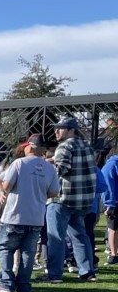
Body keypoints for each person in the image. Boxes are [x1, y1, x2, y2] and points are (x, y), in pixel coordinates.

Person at [0, 136, 59, 292]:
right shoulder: (49, 168)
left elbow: (6, 185)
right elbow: (54, 192)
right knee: (28, 253)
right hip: (36, 217)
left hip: (14, 215)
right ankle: (24, 286)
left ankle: (6, 283)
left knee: (5, 248)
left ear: (31, 147)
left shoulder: (19, 163)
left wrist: (1, 191)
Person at [44, 116, 97, 282]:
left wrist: (48, 164)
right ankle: (87, 271)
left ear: (71, 130)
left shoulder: (64, 146)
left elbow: (61, 170)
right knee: (80, 236)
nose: (56, 131)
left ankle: (54, 274)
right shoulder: (88, 147)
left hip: (62, 198)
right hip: (83, 200)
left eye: (60, 128)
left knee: (56, 237)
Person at [100, 148, 118, 265]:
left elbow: (108, 185)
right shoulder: (113, 165)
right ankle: (113, 254)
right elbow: (108, 186)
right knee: (114, 229)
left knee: (114, 229)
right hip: (114, 201)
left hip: (114, 201)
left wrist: (109, 203)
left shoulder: (111, 165)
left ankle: (114, 254)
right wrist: (110, 203)